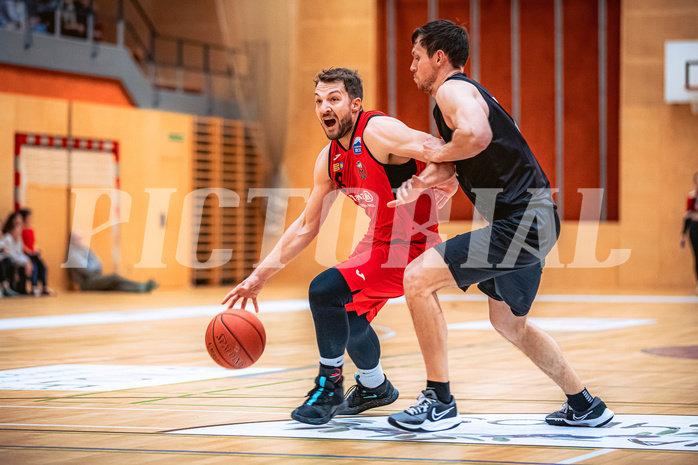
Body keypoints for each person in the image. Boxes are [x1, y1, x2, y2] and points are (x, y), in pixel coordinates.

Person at [386, 20, 614, 432]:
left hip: (524, 221)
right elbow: (455, 162)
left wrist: (442, 150)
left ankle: (439, 401)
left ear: (439, 58)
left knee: (417, 278)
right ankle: (585, 405)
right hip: (537, 220)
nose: (411, 66)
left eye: (416, 57)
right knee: (508, 323)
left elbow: (476, 135)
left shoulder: (452, 91)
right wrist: (420, 180)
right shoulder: (460, 95)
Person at [222, 68, 458, 425]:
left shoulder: (378, 132)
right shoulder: (329, 159)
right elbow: (305, 227)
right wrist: (258, 277)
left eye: (333, 99)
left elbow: (443, 151)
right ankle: (374, 386)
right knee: (347, 318)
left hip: (410, 246)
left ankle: (329, 384)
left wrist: (441, 182)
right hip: (377, 240)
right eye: (318, 101)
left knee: (324, 290)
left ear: (355, 104)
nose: (324, 108)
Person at [66, 233, 158, 293]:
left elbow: (98, 263)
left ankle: (141, 289)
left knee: (116, 286)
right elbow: (88, 270)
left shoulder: (84, 250)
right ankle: (139, 285)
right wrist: (96, 267)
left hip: (96, 277)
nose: (80, 240)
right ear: (73, 240)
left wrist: (96, 266)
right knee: (114, 277)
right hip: (87, 284)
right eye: (78, 238)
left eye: (81, 238)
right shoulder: (73, 254)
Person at [18, 208, 52, 297]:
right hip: (26, 254)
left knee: (43, 267)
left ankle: (44, 287)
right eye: (29, 217)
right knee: (35, 268)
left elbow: (33, 243)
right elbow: (21, 243)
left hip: (32, 253)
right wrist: (29, 252)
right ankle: (33, 287)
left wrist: (36, 251)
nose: (31, 219)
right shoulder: (21, 230)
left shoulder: (31, 230)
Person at [1, 212, 32, 295]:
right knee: (8, 264)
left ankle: (24, 288)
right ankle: (6, 287)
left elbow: (19, 253)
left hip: (11, 258)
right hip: (6, 258)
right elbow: (9, 253)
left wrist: (26, 261)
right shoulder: (8, 238)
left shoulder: (19, 239)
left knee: (32, 264)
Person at [681, 171, 698, 293]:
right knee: (697, 257)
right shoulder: (692, 196)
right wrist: (683, 234)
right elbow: (687, 216)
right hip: (694, 227)